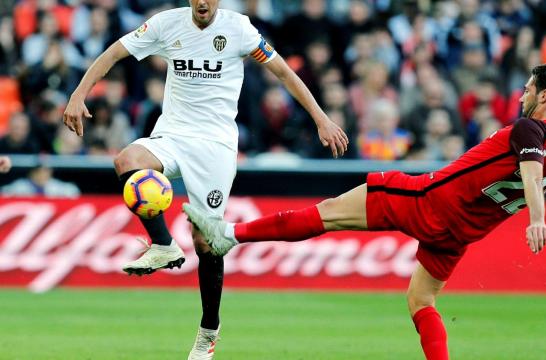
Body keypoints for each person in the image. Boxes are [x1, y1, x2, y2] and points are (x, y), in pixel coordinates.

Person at [183, 62, 546, 360]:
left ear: (544, 95)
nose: (521, 95)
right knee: (421, 300)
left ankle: (229, 235)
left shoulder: (529, 131)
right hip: (459, 234)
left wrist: (537, 219)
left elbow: (528, 171)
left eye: (527, 89)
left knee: (329, 212)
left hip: (430, 200)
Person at [62, 1, 348, 359]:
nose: (202, 2)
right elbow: (113, 53)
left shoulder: (240, 29)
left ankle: (208, 332)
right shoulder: (166, 24)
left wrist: (321, 118)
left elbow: (285, 74)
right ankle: (163, 244)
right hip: (173, 134)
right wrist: (78, 94)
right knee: (127, 160)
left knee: (206, 243)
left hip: (215, 147)